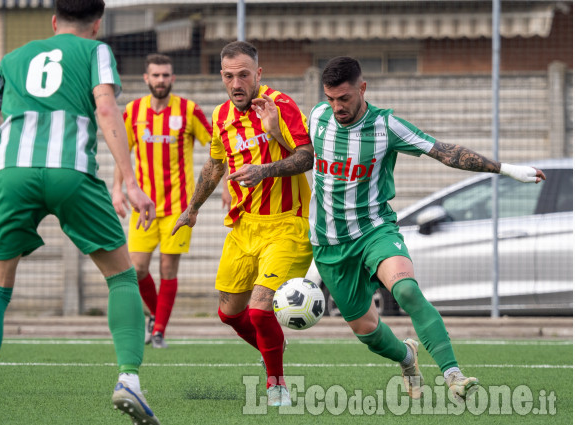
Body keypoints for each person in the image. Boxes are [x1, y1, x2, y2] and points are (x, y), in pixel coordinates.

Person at [0, 1, 162, 423]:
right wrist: (130, 180)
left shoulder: (12, 57)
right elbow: (106, 108)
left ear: (53, 21)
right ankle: (128, 380)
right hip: (71, 171)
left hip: (11, 174)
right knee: (122, 276)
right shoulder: (95, 51)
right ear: (97, 23)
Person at [307, 56, 547, 402]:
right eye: (330, 99)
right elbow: (302, 154)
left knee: (405, 291)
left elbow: (444, 152)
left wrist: (506, 168)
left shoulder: (387, 126)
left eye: (343, 98)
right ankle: (407, 357)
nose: (336, 107)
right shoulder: (318, 117)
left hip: (376, 230)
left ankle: (454, 375)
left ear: (362, 89)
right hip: (329, 244)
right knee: (367, 331)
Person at [171, 41, 315, 407]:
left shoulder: (280, 106)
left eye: (244, 75)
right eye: (229, 76)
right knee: (229, 313)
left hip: (286, 225)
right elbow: (215, 166)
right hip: (243, 227)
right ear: (222, 77)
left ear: (258, 74)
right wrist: (192, 208)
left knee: (259, 309)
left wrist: (266, 164)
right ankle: (274, 345)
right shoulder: (221, 116)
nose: (237, 83)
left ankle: (276, 384)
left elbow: (307, 157)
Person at [112, 54, 213, 349]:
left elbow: (217, 147)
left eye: (165, 75)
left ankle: (158, 332)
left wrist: (229, 186)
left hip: (179, 207)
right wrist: (117, 189)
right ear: (146, 79)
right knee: (138, 269)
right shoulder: (133, 111)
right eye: (155, 75)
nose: (160, 80)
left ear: (173, 78)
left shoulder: (189, 110)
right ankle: (157, 317)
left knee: (168, 269)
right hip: (143, 207)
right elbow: (122, 154)